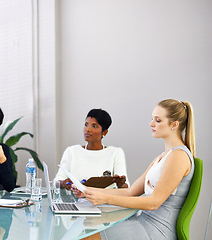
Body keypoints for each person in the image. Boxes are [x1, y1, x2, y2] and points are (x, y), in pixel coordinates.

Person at [77, 99, 196, 240]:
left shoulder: (179, 156)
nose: (151, 124)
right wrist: (88, 191)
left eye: (157, 120)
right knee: (86, 232)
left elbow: (154, 202)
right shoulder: (163, 157)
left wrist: (105, 199)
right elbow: (131, 192)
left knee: (87, 237)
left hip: (156, 230)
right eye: (152, 119)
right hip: (143, 222)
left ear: (174, 125)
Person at [54, 109, 129, 190]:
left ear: (104, 132)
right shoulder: (71, 151)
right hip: (77, 200)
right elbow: (57, 182)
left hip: (106, 201)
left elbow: (125, 186)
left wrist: (121, 184)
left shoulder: (115, 153)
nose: (88, 129)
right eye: (86, 124)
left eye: (94, 126)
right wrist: (64, 183)